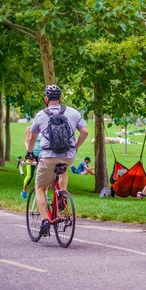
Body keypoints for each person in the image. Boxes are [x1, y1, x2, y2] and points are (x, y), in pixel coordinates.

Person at [26, 84, 89, 236]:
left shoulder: (40, 115)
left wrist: (29, 152)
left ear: (45, 99)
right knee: (63, 168)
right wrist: (76, 146)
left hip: (48, 157)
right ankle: (61, 195)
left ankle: (45, 221)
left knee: (40, 188)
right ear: (60, 98)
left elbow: (32, 136)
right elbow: (85, 131)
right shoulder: (73, 112)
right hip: (68, 155)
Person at [21, 119, 42, 199]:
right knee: (30, 175)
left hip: (42, 156)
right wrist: (30, 152)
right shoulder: (29, 129)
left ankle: (42, 194)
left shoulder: (44, 129)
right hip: (31, 155)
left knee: (42, 175)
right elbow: (26, 142)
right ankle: (24, 190)